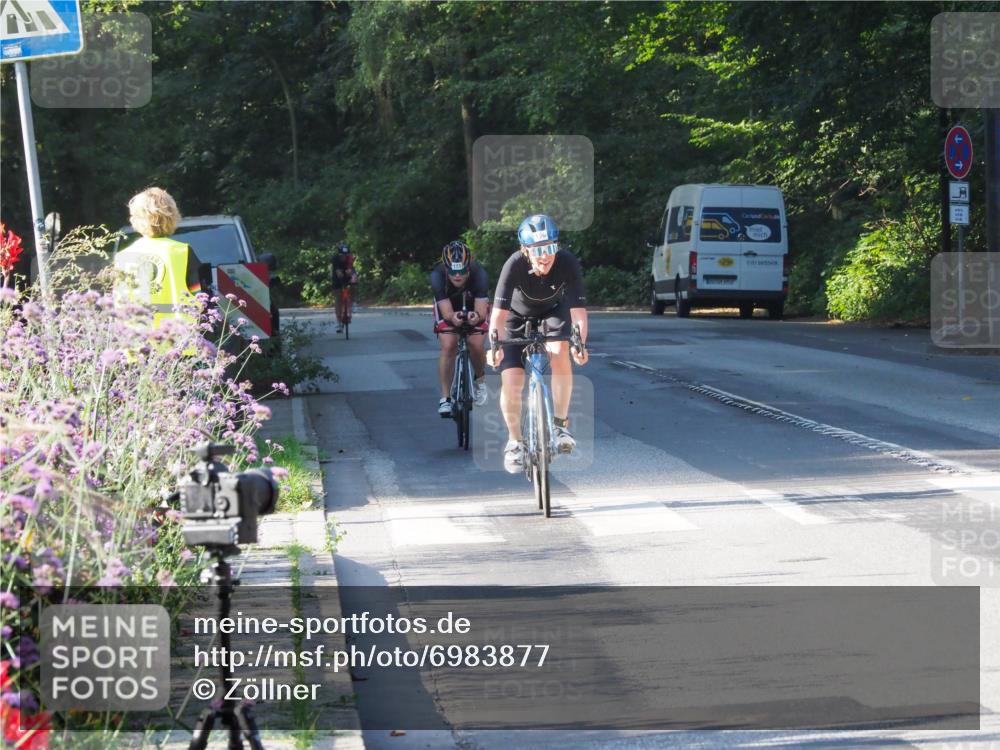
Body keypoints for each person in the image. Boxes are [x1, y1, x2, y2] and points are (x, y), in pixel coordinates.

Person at [487, 214, 589, 473]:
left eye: (550, 248)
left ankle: (560, 426)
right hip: (515, 318)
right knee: (511, 379)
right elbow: (498, 316)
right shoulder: (514, 265)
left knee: (561, 351)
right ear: (526, 250)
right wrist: (495, 347)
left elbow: (578, 313)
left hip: (553, 312)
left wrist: (580, 343)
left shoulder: (566, 262)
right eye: (538, 250)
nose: (545, 256)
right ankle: (515, 442)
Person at [114, 187, 211, 328]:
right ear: (172, 216)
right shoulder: (182, 251)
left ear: (135, 219)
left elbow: (119, 306)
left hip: (137, 342)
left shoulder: (123, 256)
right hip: (179, 341)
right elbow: (200, 298)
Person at [431, 240, 489, 416]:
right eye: (453, 272)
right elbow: (446, 312)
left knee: (476, 344)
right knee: (449, 345)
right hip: (448, 306)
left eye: (462, 271)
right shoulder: (437, 276)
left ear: (469, 268)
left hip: (473, 305)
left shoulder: (480, 274)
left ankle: (480, 381)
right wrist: (452, 318)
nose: (458, 276)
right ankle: (445, 398)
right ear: (446, 269)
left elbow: (480, 311)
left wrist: (475, 317)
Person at [331, 243, 357, 333]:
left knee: (354, 280)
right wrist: (341, 274)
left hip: (348, 272)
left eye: (346, 255)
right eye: (342, 255)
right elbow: (338, 273)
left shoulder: (350, 258)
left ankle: (353, 302)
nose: (344, 257)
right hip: (338, 276)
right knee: (338, 298)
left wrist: (351, 276)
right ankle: (338, 322)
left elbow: (351, 270)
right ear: (339, 254)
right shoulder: (335, 259)